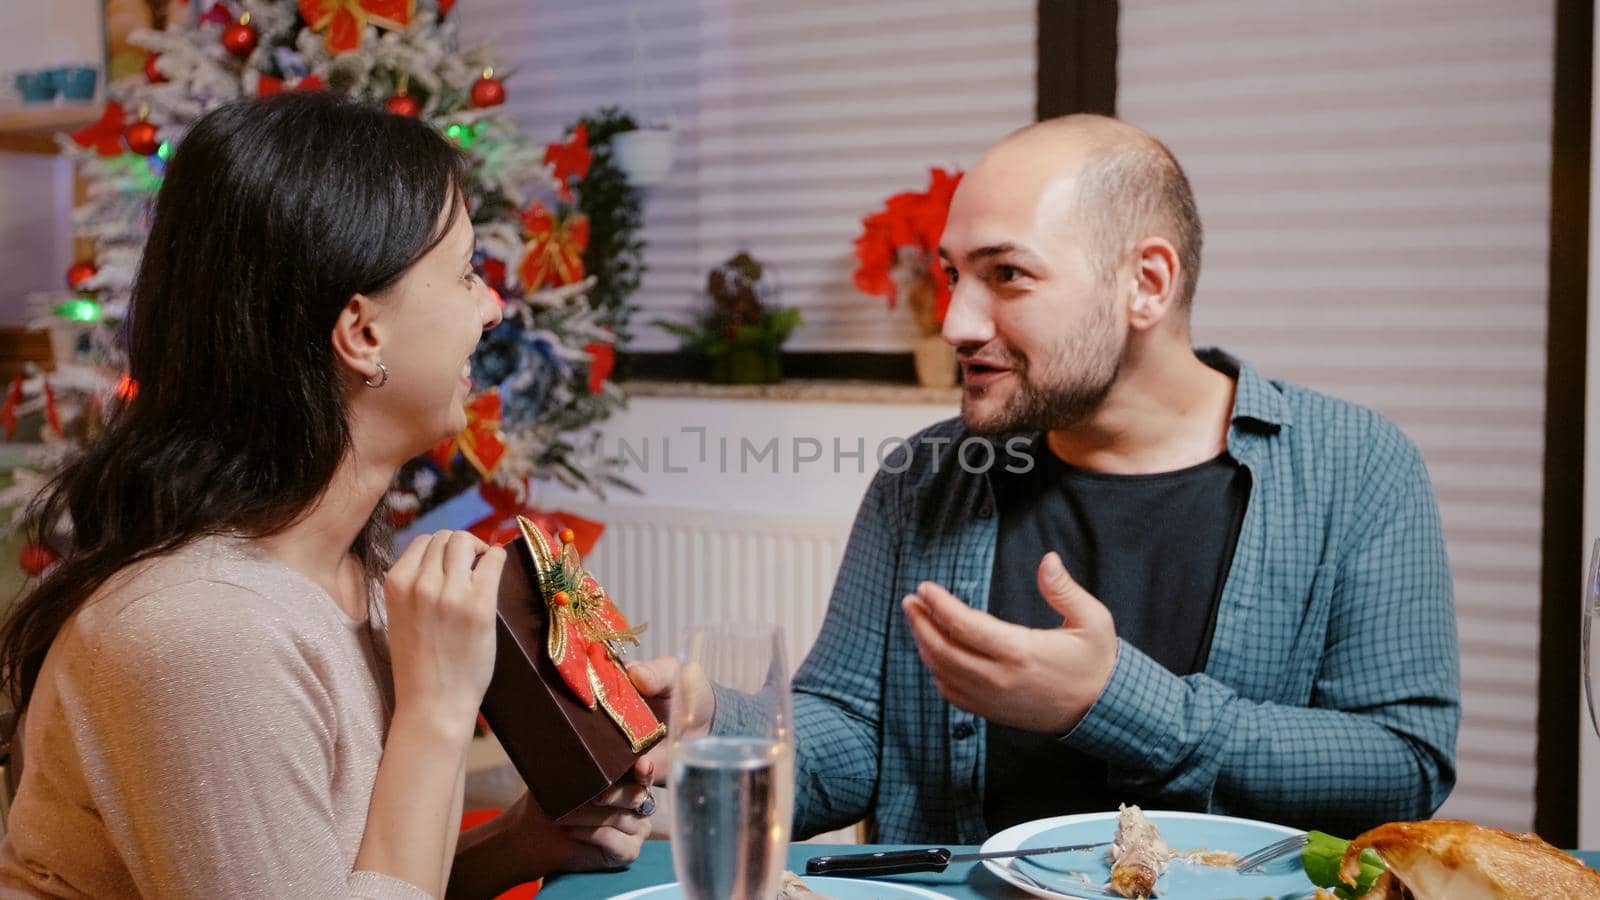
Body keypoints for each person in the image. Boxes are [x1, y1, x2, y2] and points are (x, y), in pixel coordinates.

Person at [630, 114, 1460, 845]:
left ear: (1148, 284)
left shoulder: (1355, 467)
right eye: (954, 274)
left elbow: (1403, 766)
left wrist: (1110, 701)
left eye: (1008, 275)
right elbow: (852, 735)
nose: (955, 320)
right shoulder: (924, 475)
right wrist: (720, 720)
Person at [0, 93, 650, 899]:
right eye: (467, 273)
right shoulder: (203, 632)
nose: (492, 308)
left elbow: (347, 879)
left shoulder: (345, 572)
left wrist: (522, 844)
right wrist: (438, 711)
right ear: (361, 334)